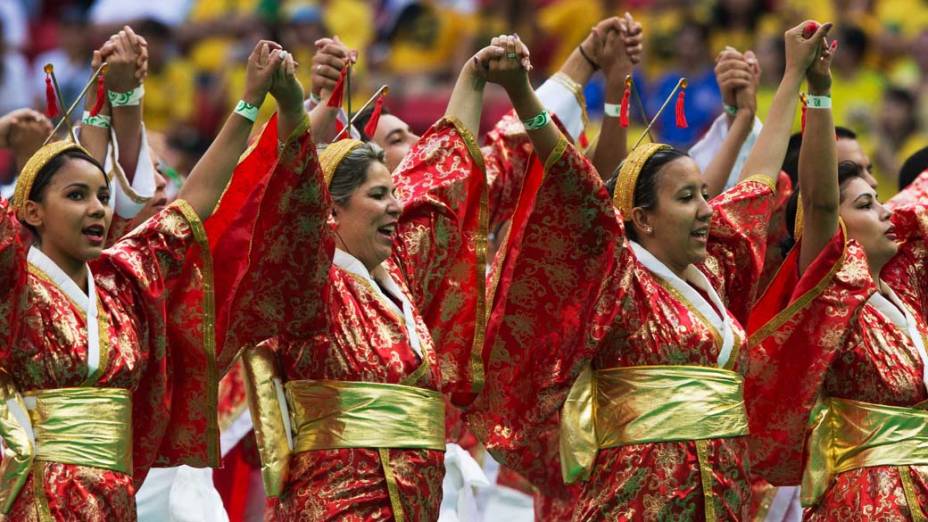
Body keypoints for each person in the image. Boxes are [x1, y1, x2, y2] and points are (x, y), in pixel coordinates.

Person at [467, 21, 829, 520]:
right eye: (686, 197)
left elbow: (761, 183)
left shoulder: (717, 272)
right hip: (635, 499)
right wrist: (522, 94)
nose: (707, 207)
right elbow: (573, 180)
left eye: (704, 193)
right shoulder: (616, 276)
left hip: (720, 498)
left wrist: (792, 79)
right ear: (641, 218)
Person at [0, 39, 312, 520]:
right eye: (76, 195)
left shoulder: (122, 279)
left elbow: (197, 202)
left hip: (116, 499)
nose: (97, 208)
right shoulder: (13, 282)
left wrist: (251, 101)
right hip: (36, 501)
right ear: (31, 211)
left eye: (103, 196)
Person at [236, 37, 506, 521]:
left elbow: (443, 175)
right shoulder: (307, 282)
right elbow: (285, 195)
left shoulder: (401, 271)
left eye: (393, 194)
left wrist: (473, 77)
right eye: (378, 195)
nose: (396, 206)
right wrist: (302, 104)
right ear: (332, 208)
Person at [745, 22, 928, 520]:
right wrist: (819, 91)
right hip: (866, 499)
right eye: (867, 204)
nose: (888, 212)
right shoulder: (834, 289)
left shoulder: (903, 298)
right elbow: (821, 199)